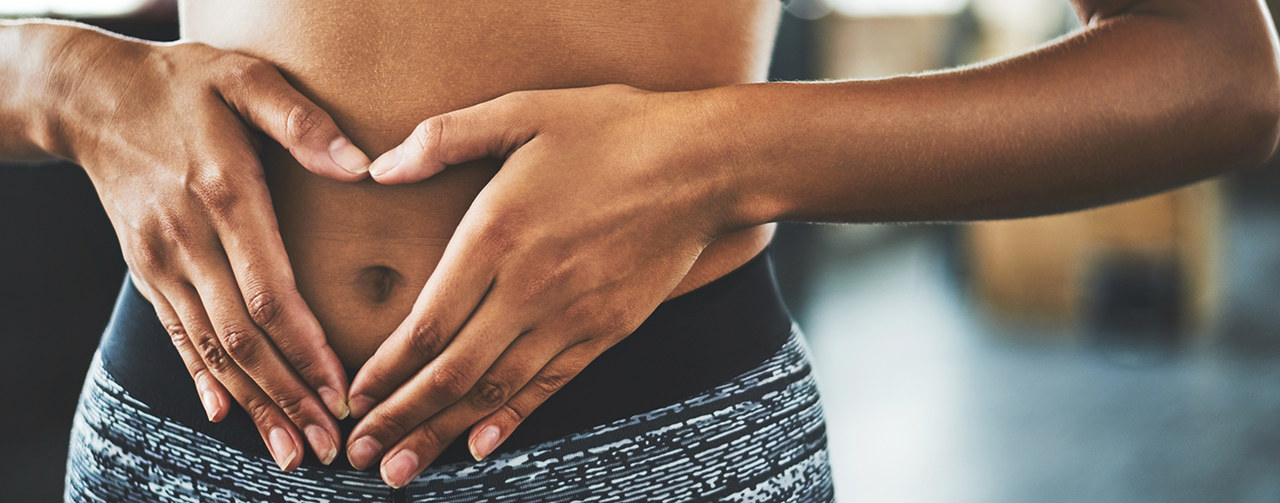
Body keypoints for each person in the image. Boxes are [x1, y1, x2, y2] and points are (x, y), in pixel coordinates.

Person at [2, 0, 1277, 500]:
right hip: (191, 435)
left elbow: (1211, 68)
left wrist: (717, 155)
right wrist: (59, 75)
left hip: (646, 442)